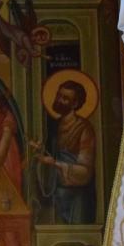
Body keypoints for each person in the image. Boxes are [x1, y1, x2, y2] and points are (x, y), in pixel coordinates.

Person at [31, 80, 97, 224]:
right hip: (55, 193)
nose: (59, 100)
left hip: (76, 197)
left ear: (75, 104)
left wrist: (55, 163)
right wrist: (39, 149)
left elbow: (85, 171)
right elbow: (50, 153)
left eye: (65, 98)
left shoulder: (84, 128)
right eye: (58, 95)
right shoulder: (54, 125)